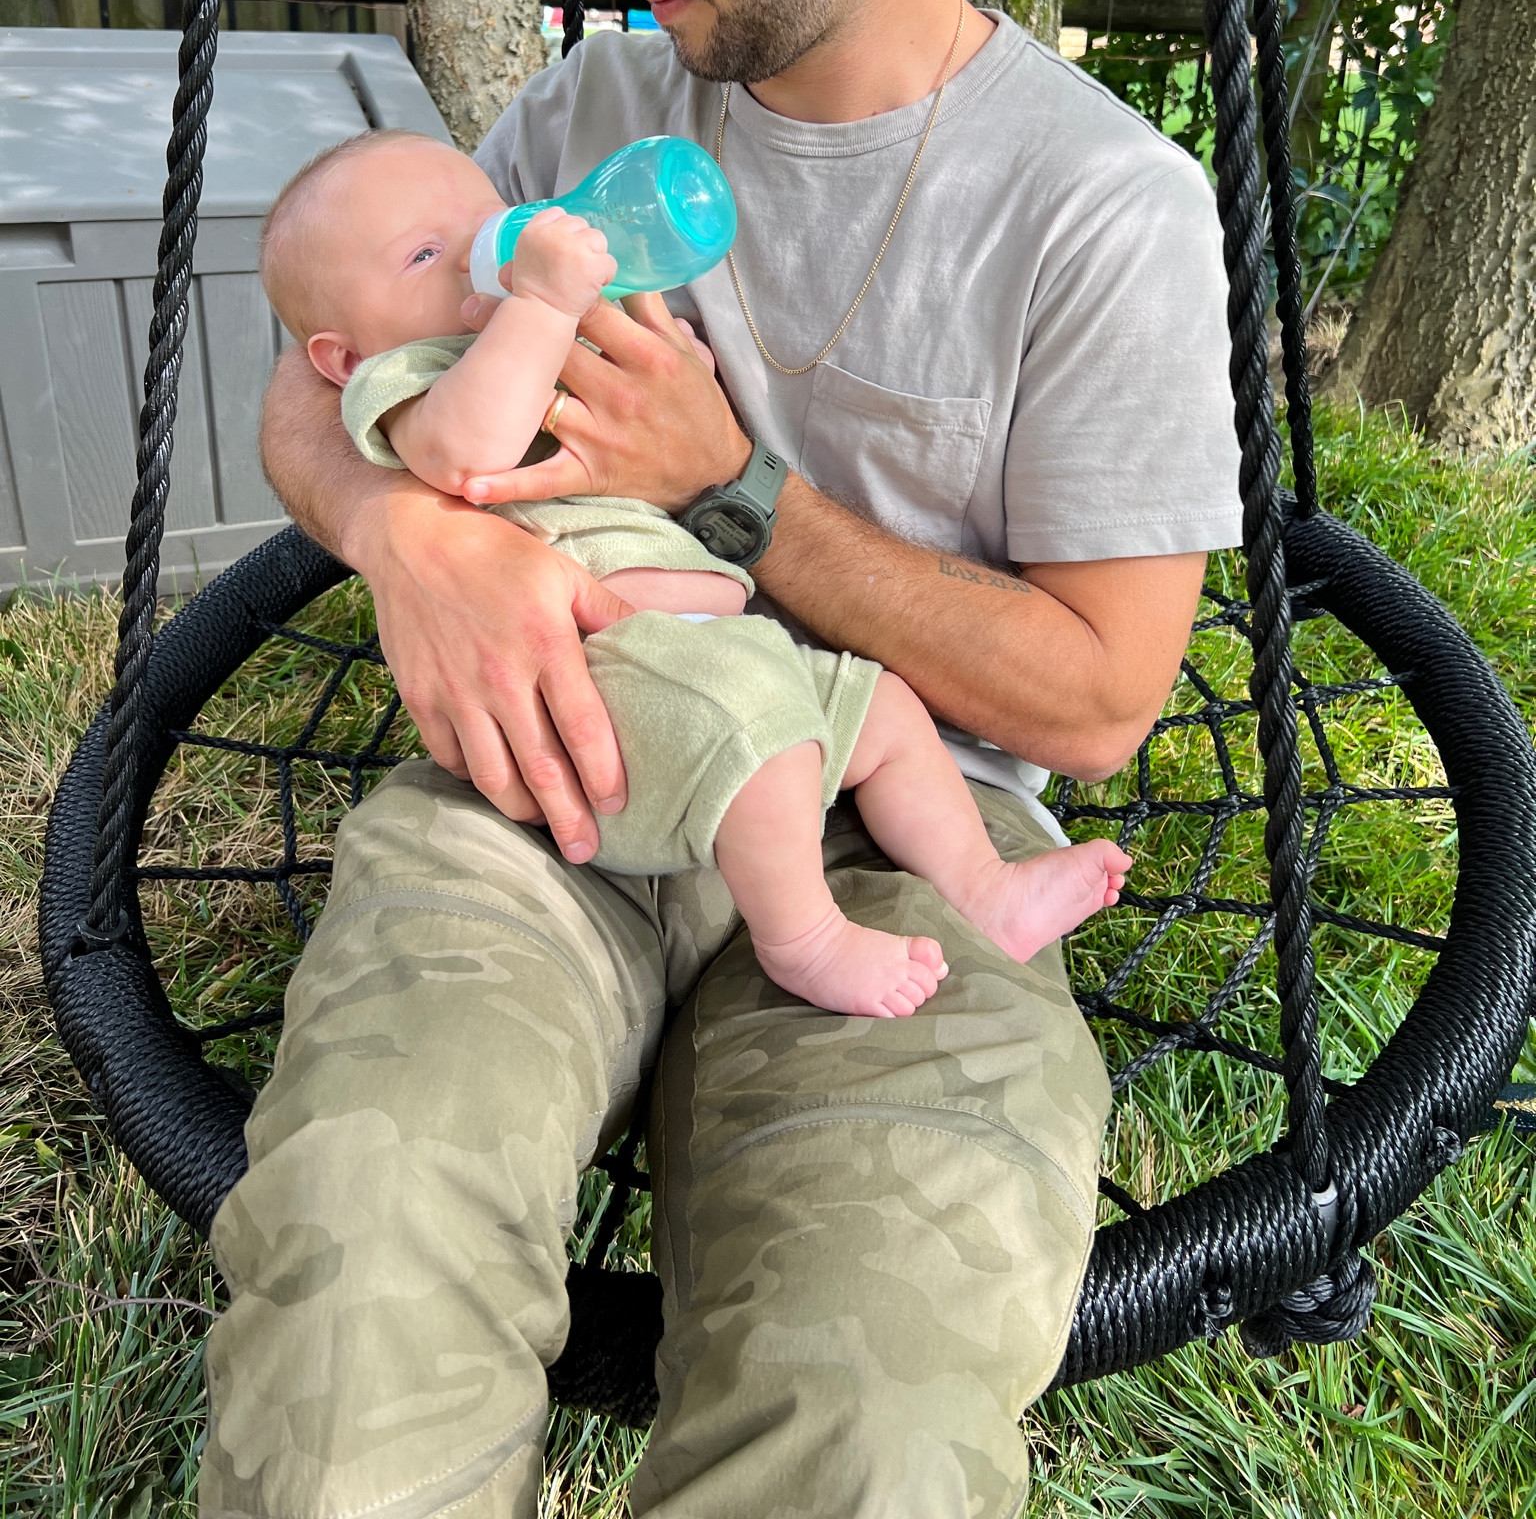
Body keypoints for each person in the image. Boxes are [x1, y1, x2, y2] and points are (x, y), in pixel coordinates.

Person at [200, 0, 1243, 1515]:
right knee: (358, 1254)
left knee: (864, 1403)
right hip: (558, 784)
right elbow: (320, 395)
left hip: (894, 850)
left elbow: (1101, 698)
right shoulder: (592, 109)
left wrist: (743, 494)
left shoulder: (1101, 209)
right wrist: (402, 529)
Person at [259, 129, 1134, 1018]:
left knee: (886, 712)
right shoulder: (411, 379)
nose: (481, 256)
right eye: (421, 254)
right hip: (615, 688)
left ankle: (985, 888)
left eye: (486, 220)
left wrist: (673, 371)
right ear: (343, 359)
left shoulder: (538, 335)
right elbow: (466, 448)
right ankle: (805, 938)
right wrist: (543, 303)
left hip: (721, 656)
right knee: (764, 739)